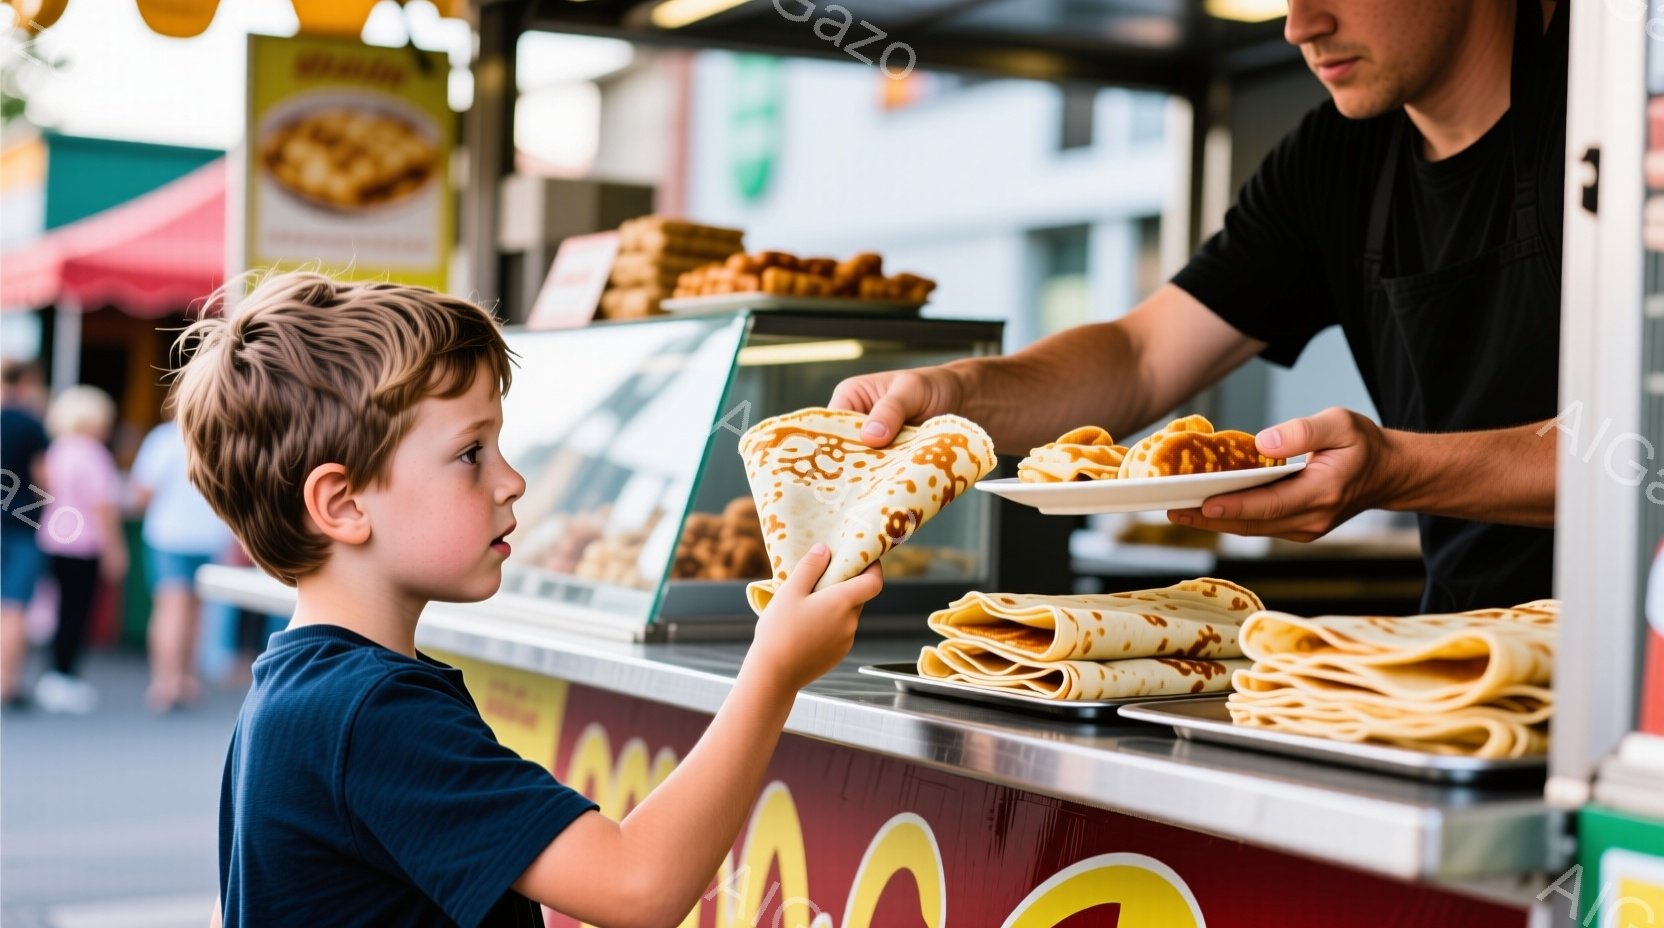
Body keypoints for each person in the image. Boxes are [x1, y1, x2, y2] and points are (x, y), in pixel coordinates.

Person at [178, 273, 881, 927]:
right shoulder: (374, 716)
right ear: (342, 503)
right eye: (470, 453)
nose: (512, 481)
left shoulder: (301, 690)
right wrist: (775, 672)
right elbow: (639, 886)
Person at [834, 0, 1565, 613]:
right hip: (1469, 656)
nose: (1299, 23)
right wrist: (956, 394)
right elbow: (1142, 357)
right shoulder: (1336, 159)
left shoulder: (1624, 112)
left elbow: (1641, 449)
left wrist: (1397, 470)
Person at [34, 385, 128, 714]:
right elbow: (103, 506)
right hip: (85, 543)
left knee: (60, 610)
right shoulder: (94, 454)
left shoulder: (56, 449)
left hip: (53, 538)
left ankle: (54, 675)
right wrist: (115, 548)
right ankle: (65, 676)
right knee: (78, 612)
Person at [131, 414, 235, 710]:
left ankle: (165, 682)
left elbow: (142, 493)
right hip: (212, 535)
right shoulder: (222, 437)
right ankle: (188, 679)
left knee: (170, 608)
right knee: (198, 612)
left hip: (169, 536)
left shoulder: (164, 439)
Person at [1, 359, 50, 708]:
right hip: (21, 522)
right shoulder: (31, 425)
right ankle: (8, 685)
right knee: (15, 608)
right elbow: (43, 479)